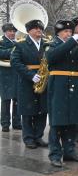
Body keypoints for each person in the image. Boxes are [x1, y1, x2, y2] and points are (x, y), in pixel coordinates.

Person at [46, 20, 78, 167]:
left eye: (70, 32)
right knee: (57, 122)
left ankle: (70, 151)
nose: (68, 34)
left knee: (73, 120)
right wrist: (72, 41)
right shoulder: (51, 44)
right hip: (58, 86)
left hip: (75, 86)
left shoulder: (75, 45)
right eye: (65, 32)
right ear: (58, 33)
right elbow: (52, 57)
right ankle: (55, 155)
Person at [11, 20, 48, 149]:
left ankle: (38, 136)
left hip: (44, 80)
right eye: (36, 28)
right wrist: (30, 75)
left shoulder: (46, 44)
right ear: (29, 31)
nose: (39, 30)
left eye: (40, 28)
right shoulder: (21, 45)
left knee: (43, 110)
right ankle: (28, 138)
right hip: (27, 82)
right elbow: (15, 63)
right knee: (28, 111)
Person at [0, 23, 21, 132]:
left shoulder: (18, 42)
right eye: (10, 31)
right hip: (5, 75)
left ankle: (17, 123)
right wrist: (13, 51)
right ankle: (5, 124)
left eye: (14, 31)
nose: (12, 33)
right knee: (6, 100)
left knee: (17, 99)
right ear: (5, 32)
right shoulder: (1, 41)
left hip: (16, 74)